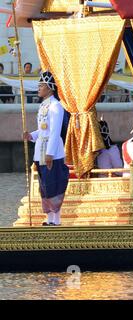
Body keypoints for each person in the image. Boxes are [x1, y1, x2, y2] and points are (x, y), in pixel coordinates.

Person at [23, 71, 69, 226]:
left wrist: (49, 154)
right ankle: (49, 218)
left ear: (50, 88)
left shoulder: (56, 107)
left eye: (41, 86)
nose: (39, 88)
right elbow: (43, 130)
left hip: (52, 153)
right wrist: (31, 136)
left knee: (53, 185)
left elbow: (55, 132)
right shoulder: (43, 105)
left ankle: (57, 219)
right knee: (44, 187)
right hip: (40, 151)